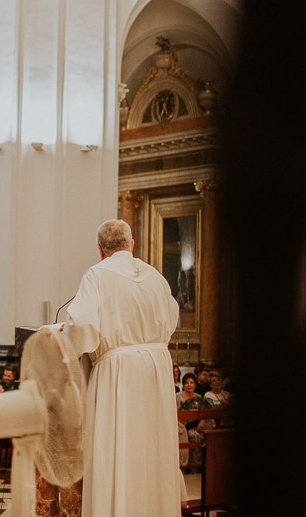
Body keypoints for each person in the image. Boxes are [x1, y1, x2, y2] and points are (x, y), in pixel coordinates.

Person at [61, 218, 181, 517]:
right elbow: (172, 316)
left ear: (100, 250)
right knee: (152, 449)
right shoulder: (156, 277)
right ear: (132, 244)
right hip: (156, 368)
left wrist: (66, 335)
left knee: (116, 451)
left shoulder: (97, 275)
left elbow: (84, 327)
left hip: (117, 371)